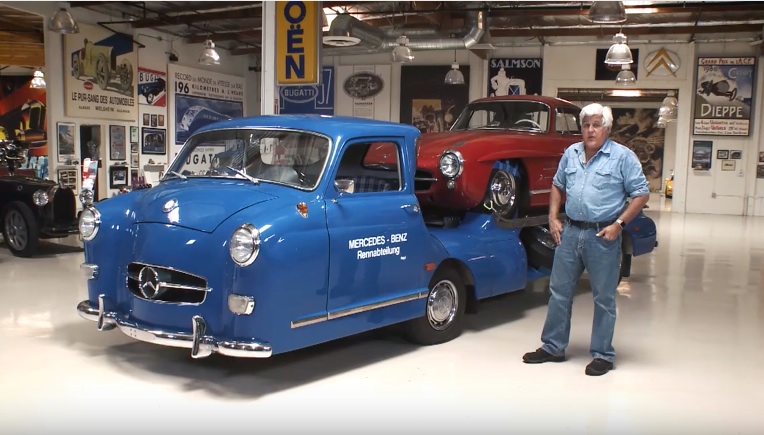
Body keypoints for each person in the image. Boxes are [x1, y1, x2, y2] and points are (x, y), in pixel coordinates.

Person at [522, 103, 650, 376]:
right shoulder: (571, 153)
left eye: (596, 125)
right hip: (570, 232)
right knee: (559, 292)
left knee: (603, 297)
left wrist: (619, 224)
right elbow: (557, 184)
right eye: (586, 125)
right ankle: (553, 347)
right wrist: (553, 218)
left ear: (608, 128)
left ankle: (603, 354)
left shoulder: (622, 157)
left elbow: (641, 193)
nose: (590, 130)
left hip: (603, 235)